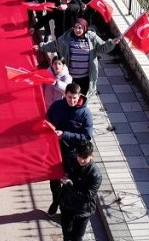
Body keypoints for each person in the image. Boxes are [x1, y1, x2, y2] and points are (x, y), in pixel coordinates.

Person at [45, 82, 94, 216]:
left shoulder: (85, 114)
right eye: (69, 97)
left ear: (79, 96)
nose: (72, 101)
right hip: (55, 151)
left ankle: (67, 207)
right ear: (64, 95)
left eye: (74, 98)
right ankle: (55, 202)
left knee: (71, 183)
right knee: (54, 180)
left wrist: (65, 135)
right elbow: (47, 119)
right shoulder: (56, 106)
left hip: (73, 155)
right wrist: (49, 127)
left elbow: (87, 136)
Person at [38, 18, 118, 96]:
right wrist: (41, 47)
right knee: (71, 99)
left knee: (83, 99)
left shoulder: (92, 37)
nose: (77, 30)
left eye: (80, 28)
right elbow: (54, 45)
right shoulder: (66, 37)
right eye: (75, 27)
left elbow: (102, 48)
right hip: (70, 77)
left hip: (86, 78)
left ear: (85, 28)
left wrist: (111, 43)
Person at [58, 140, 102, 241]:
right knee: (66, 235)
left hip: (82, 211)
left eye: (85, 158)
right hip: (67, 205)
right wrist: (61, 177)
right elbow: (61, 172)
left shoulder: (95, 175)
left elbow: (86, 197)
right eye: (79, 156)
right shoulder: (72, 160)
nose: (81, 160)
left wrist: (69, 184)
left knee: (77, 237)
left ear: (91, 156)